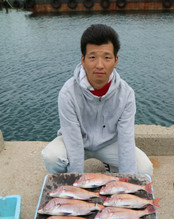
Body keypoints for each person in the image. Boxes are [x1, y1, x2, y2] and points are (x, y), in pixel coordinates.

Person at [41, 24, 153, 176]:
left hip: (109, 143)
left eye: (107, 57)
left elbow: (126, 139)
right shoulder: (67, 93)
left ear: (116, 60)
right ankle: (64, 178)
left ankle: (112, 167)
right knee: (51, 157)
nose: (99, 65)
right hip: (78, 141)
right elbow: (73, 142)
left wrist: (128, 183)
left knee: (144, 169)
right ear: (83, 60)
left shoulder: (126, 94)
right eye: (92, 57)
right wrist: (76, 184)